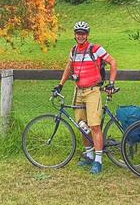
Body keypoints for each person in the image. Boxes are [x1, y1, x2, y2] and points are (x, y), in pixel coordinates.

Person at [53, 21, 117, 175]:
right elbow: (69, 67)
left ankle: (98, 160)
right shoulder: (74, 50)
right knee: (81, 125)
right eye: (78, 33)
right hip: (78, 91)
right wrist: (60, 85)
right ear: (75, 35)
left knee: (94, 126)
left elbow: (113, 62)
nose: (80, 36)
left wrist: (111, 83)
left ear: (87, 35)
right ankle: (89, 155)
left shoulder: (95, 49)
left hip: (93, 91)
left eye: (83, 33)